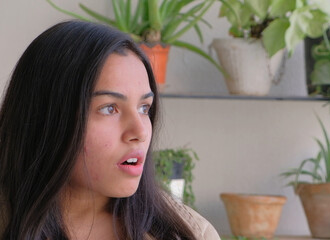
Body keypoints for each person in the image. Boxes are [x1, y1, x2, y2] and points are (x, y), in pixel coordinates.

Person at [0, 21, 220, 240]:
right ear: (46, 116)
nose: (140, 132)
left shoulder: (193, 233)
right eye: (109, 109)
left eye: (144, 108)